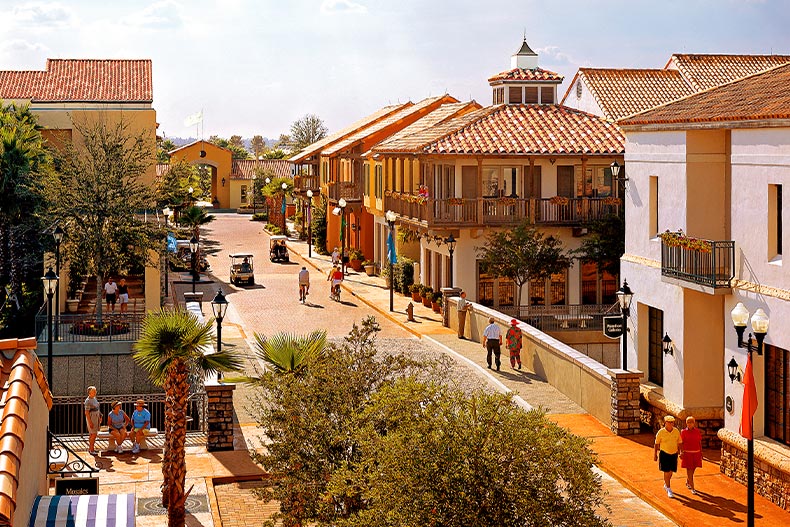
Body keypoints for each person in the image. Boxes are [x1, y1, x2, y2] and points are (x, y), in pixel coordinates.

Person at [654, 415, 683, 498]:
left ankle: (666, 484)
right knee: (666, 472)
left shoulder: (676, 431)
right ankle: (668, 487)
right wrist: (655, 455)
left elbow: (680, 442)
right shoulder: (661, 432)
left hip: (674, 454)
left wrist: (681, 452)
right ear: (665, 423)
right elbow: (656, 444)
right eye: (669, 422)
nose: (671, 424)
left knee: (671, 472)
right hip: (664, 454)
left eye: (672, 422)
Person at [680, 416, 703, 495]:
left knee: (693, 469)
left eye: (691, 422)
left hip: (696, 453)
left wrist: (701, 453)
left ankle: (688, 481)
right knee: (689, 470)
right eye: (688, 422)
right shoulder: (683, 432)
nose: (690, 424)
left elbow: (699, 442)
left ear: (694, 423)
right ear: (686, 423)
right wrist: (681, 452)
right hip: (687, 454)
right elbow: (681, 443)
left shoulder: (697, 431)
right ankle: (693, 488)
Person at [83, 386, 101, 456]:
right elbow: (86, 412)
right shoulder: (88, 401)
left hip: (96, 417)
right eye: (94, 391)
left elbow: (97, 408)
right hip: (92, 417)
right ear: (89, 392)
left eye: (95, 391)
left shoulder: (94, 398)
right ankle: (91, 449)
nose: (95, 392)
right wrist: (90, 422)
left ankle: (91, 448)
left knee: (93, 434)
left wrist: (100, 416)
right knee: (93, 434)